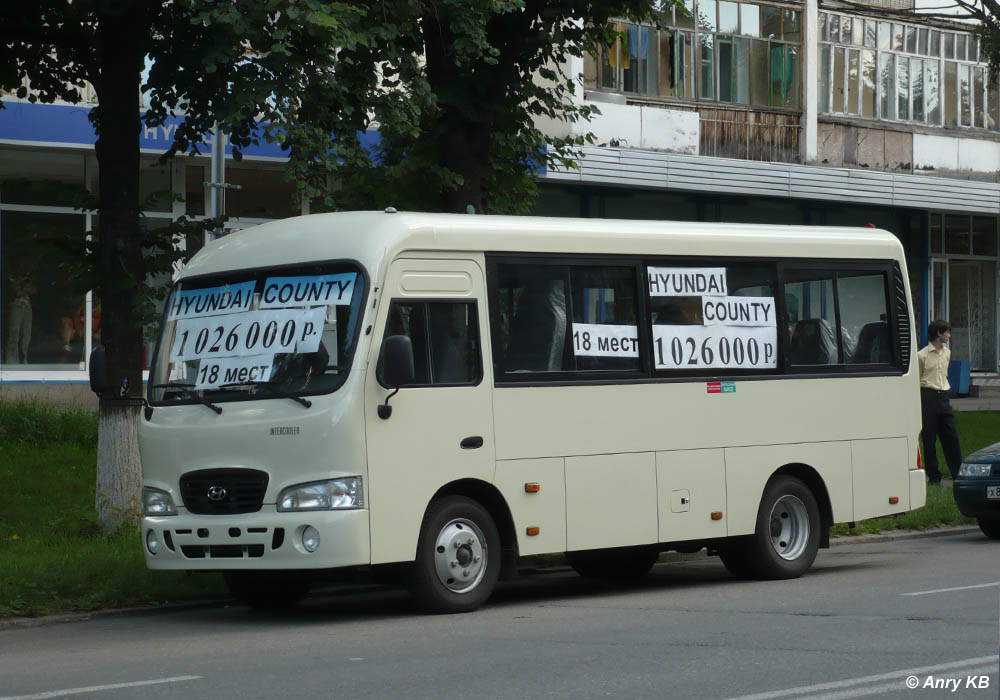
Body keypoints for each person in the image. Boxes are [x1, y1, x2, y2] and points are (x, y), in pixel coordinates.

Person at [918, 319, 962, 485]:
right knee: (929, 439)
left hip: (944, 397)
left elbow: (944, 374)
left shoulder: (947, 353)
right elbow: (919, 379)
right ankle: (934, 477)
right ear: (939, 333)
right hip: (927, 397)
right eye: (947, 332)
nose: (949, 335)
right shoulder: (921, 356)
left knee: (951, 437)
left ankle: (958, 474)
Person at [5, 262, 36, 364]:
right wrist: (25, 290)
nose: (22, 268)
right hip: (16, 306)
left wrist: (24, 289)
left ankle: (24, 358)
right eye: (20, 266)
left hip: (27, 307)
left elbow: (34, 290)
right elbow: (16, 292)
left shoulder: (27, 278)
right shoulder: (12, 278)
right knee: (14, 331)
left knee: (26, 333)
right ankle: (11, 359)